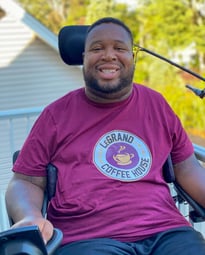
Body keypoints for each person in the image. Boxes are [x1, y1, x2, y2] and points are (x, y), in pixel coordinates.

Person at [5, 17, 205, 255]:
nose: (109, 55)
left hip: (166, 233)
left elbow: (187, 167)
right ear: (84, 58)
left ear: (133, 57)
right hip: (87, 240)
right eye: (97, 48)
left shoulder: (157, 105)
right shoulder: (55, 116)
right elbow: (25, 181)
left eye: (119, 48)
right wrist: (30, 216)